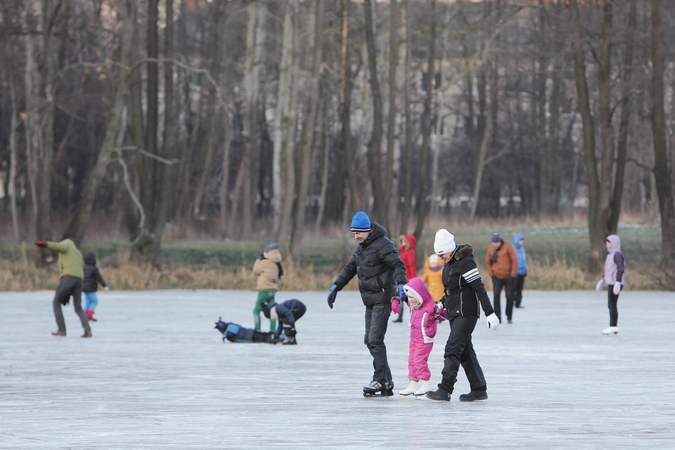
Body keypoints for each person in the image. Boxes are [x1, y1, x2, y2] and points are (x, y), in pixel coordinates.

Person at [326, 211, 408, 397]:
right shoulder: (361, 248)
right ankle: (386, 379)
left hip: (382, 297)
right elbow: (349, 269)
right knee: (369, 340)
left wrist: (402, 283)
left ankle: (380, 379)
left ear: (368, 230)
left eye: (359, 232)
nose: (356, 236)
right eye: (354, 232)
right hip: (370, 300)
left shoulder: (383, 245)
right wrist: (336, 286)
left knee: (375, 340)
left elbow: (398, 264)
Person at [426, 229, 499, 402]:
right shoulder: (450, 263)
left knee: (452, 348)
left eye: (442, 253)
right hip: (454, 312)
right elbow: (452, 290)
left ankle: (445, 389)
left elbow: (479, 288)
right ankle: (479, 388)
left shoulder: (466, 262)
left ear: (449, 249)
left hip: (467, 313)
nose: (441, 257)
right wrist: (441, 303)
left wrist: (490, 313)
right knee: (465, 351)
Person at [394, 277, 446, 397]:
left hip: (424, 339)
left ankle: (426, 383)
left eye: (412, 298)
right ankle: (413, 383)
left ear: (419, 296)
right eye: (410, 298)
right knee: (412, 360)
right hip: (414, 337)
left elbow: (442, 316)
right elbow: (402, 296)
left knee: (419, 360)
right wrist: (396, 300)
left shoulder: (430, 307)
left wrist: (442, 311)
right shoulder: (414, 304)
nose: (410, 300)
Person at [35, 239, 92, 338]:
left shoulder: (66, 245)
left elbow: (58, 247)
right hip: (79, 280)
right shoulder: (77, 253)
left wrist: (45, 244)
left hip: (68, 277)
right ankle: (88, 331)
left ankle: (61, 330)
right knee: (78, 307)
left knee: (56, 302)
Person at [595, 235, 626, 335]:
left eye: (609, 243)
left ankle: (613, 326)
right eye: (607, 242)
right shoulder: (610, 256)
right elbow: (609, 270)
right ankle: (613, 326)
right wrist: (602, 280)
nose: (607, 245)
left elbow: (620, 269)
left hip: (615, 283)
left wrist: (618, 282)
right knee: (610, 304)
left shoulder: (617, 255)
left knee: (612, 304)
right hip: (611, 282)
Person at [485, 232, 518, 324]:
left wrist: (513, 274)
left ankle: (509, 316)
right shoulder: (491, 248)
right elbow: (488, 261)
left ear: (500, 241)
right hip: (496, 276)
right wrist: (491, 273)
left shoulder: (508, 246)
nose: (495, 244)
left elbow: (514, 259)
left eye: (496, 243)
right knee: (496, 296)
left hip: (508, 276)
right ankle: (497, 316)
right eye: (493, 243)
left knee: (509, 296)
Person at [252, 243, 283, 332]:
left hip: (264, 291)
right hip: (272, 291)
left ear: (267, 253)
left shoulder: (265, 262)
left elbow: (255, 271)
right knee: (272, 312)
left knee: (256, 311)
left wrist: (259, 260)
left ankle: (257, 329)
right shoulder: (276, 264)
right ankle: (272, 330)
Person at [394, 234, 417, 323]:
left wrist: (412, 278)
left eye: (405, 241)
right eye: (402, 241)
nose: (403, 243)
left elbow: (411, 266)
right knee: (401, 295)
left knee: (409, 298)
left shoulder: (409, 252)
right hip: (402, 276)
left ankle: (414, 315)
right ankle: (400, 315)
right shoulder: (403, 251)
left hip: (407, 277)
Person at [82, 251, 109, 322]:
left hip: (84, 288)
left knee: (87, 301)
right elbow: (99, 278)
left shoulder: (83, 267)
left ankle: (84, 315)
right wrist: (104, 286)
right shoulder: (94, 268)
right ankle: (89, 314)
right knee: (94, 301)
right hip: (91, 288)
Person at [214, 317, 280, 343]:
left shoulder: (229, 331)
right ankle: (276, 335)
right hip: (250, 333)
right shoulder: (230, 325)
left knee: (264, 338)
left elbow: (233, 332)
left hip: (250, 336)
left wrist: (224, 335)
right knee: (264, 335)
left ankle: (275, 337)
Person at [512, 234, 528, 309]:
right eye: (520, 240)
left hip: (522, 272)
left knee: (520, 288)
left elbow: (524, 261)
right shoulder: (513, 250)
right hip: (515, 272)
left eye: (522, 241)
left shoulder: (522, 250)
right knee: (513, 288)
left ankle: (518, 303)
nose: (522, 242)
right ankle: (511, 302)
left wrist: (526, 269)